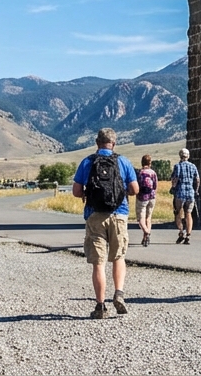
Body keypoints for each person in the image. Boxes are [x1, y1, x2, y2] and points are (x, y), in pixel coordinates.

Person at [72, 128, 139, 319]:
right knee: (118, 257)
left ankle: (100, 306)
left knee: (98, 262)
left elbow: (76, 191)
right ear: (114, 143)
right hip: (119, 214)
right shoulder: (123, 161)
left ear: (96, 142)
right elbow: (135, 189)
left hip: (94, 215)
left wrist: (88, 192)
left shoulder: (87, 162)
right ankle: (119, 293)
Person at [172, 148, 200, 244]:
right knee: (188, 214)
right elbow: (197, 179)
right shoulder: (193, 166)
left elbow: (175, 179)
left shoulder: (177, 166)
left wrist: (173, 188)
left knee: (178, 212)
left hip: (180, 193)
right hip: (190, 193)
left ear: (180, 155)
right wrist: (196, 190)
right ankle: (188, 235)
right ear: (188, 156)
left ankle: (181, 232)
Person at [136, 154, 158, 247]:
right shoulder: (153, 173)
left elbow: (137, 185)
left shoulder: (140, 173)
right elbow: (155, 186)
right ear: (150, 162)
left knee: (141, 219)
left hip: (142, 197)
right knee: (148, 218)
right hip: (152, 197)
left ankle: (147, 232)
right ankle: (145, 238)